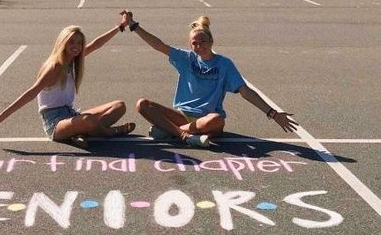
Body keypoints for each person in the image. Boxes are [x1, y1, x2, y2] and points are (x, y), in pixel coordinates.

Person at [121, 11, 297, 146]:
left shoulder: (224, 64)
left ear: (211, 42)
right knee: (142, 104)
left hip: (207, 120)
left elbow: (246, 92)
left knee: (217, 120)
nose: (199, 46)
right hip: (182, 115)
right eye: (194, 43)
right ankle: (185, 135)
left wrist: (272, 113)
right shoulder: (187, 58)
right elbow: (158, 45)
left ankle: (171, 131)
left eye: (202, 41)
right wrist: (134, 26)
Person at [0, 19, 135, 142]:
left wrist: (120, 26)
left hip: (71, 114)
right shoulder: (55, 66)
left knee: (119, 106)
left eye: (79, 43)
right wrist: (2, 115)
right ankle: (110, 132)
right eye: (71, 42)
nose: (76, 46)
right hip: (55, 123)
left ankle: (81, 133)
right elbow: (31, 93)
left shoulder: (73, 60)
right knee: (89, 120)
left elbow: (96, 44)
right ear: (63, 43)